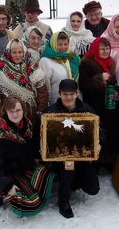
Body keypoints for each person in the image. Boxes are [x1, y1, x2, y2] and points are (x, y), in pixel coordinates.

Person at [0, 95, 56, 217]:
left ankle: (29, 188)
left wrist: (35, 158)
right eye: (11, 112)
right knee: (32, 204)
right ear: (5, 112)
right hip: (6, 174)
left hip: (23, 166)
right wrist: (7, 186)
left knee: (48, 170)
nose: (15, 115)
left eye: (18, 110)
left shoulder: (27, 125)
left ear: (23, 110)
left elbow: (29, 146)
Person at [42, 79, 100, 218]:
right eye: (65, 94)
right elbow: (42, 136)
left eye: (72, 94)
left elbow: (100, 129)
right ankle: (63, 202)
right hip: (60, 159)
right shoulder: (50, 113)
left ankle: (73, 182)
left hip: (83, 157)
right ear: (59, 94)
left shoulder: (87, 110)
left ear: (76, 94)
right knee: (69, 167)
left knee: (93, 189)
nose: (69, 97)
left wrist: (99, 143)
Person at [79, 37, 119, 169]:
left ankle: (110, 160)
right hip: (95, 105)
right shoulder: (87, 64)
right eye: (102, 49)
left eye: (107, 48)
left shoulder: (110, 62)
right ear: (96, 49)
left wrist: (116, 92)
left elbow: (114, 83)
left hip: (109, 105)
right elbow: (84, 85)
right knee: (97, 133)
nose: (105, 51)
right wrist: (99, 79)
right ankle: (96, 162)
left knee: (111, 131)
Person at [0, 38, 48, 128]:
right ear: (9, 52)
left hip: (30, 114)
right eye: (14, 52)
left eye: (20, 52)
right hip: (9, 116)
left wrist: (41, 112)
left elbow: (42, 91)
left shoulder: (31, 65)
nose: (17, 55)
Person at [39, 31, 80, 106]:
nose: (63, 47)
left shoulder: (72, 58)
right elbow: (44, 88)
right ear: (54, 44)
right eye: (60, 44)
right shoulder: (45, 61)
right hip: (55, 106)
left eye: (65, 44)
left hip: (73, 104)